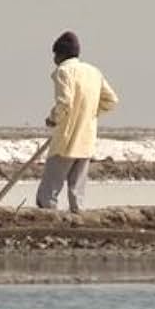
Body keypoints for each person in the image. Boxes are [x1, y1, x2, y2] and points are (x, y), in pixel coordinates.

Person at [37, 31, 118, 213]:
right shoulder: (94, 72)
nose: (54, 59)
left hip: (66, 140)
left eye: (55, 55)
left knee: (48, 193)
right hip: (86, 139)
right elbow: (111, 100)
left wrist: (53, 119)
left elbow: (65, 102)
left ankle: (48, 221)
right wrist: (89, 114)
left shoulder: (63, 72)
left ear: (60, 54)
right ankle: (78, 220)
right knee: (77, 193)